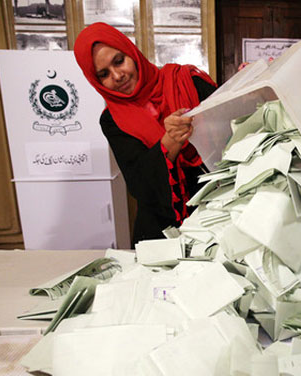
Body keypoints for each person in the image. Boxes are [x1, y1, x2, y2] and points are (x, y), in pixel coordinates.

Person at [74, 23, 217, 245]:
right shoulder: (112, 120)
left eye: (119, 61)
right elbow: (139, 183)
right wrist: (169, 142)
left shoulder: (187, 82)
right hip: (162, 232)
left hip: (218, 216)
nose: (117, 75)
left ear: (131, 53)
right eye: (104, 74)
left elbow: (234, 130)